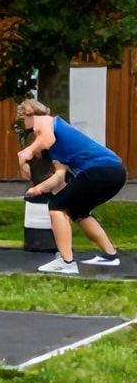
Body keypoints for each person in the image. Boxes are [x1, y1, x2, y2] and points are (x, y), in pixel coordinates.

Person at [16, 98, 124, 274]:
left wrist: (29, 151)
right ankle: (110, 256)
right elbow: (59, 176)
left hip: (102, 169)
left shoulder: (46, 121)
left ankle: (66, 262)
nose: (26, 127)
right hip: (114, 173)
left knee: (57, 206)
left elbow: (46, 138)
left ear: (29, 115)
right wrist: (38, 188)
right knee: (78, 212)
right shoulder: (54, 145)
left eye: (23, 120)